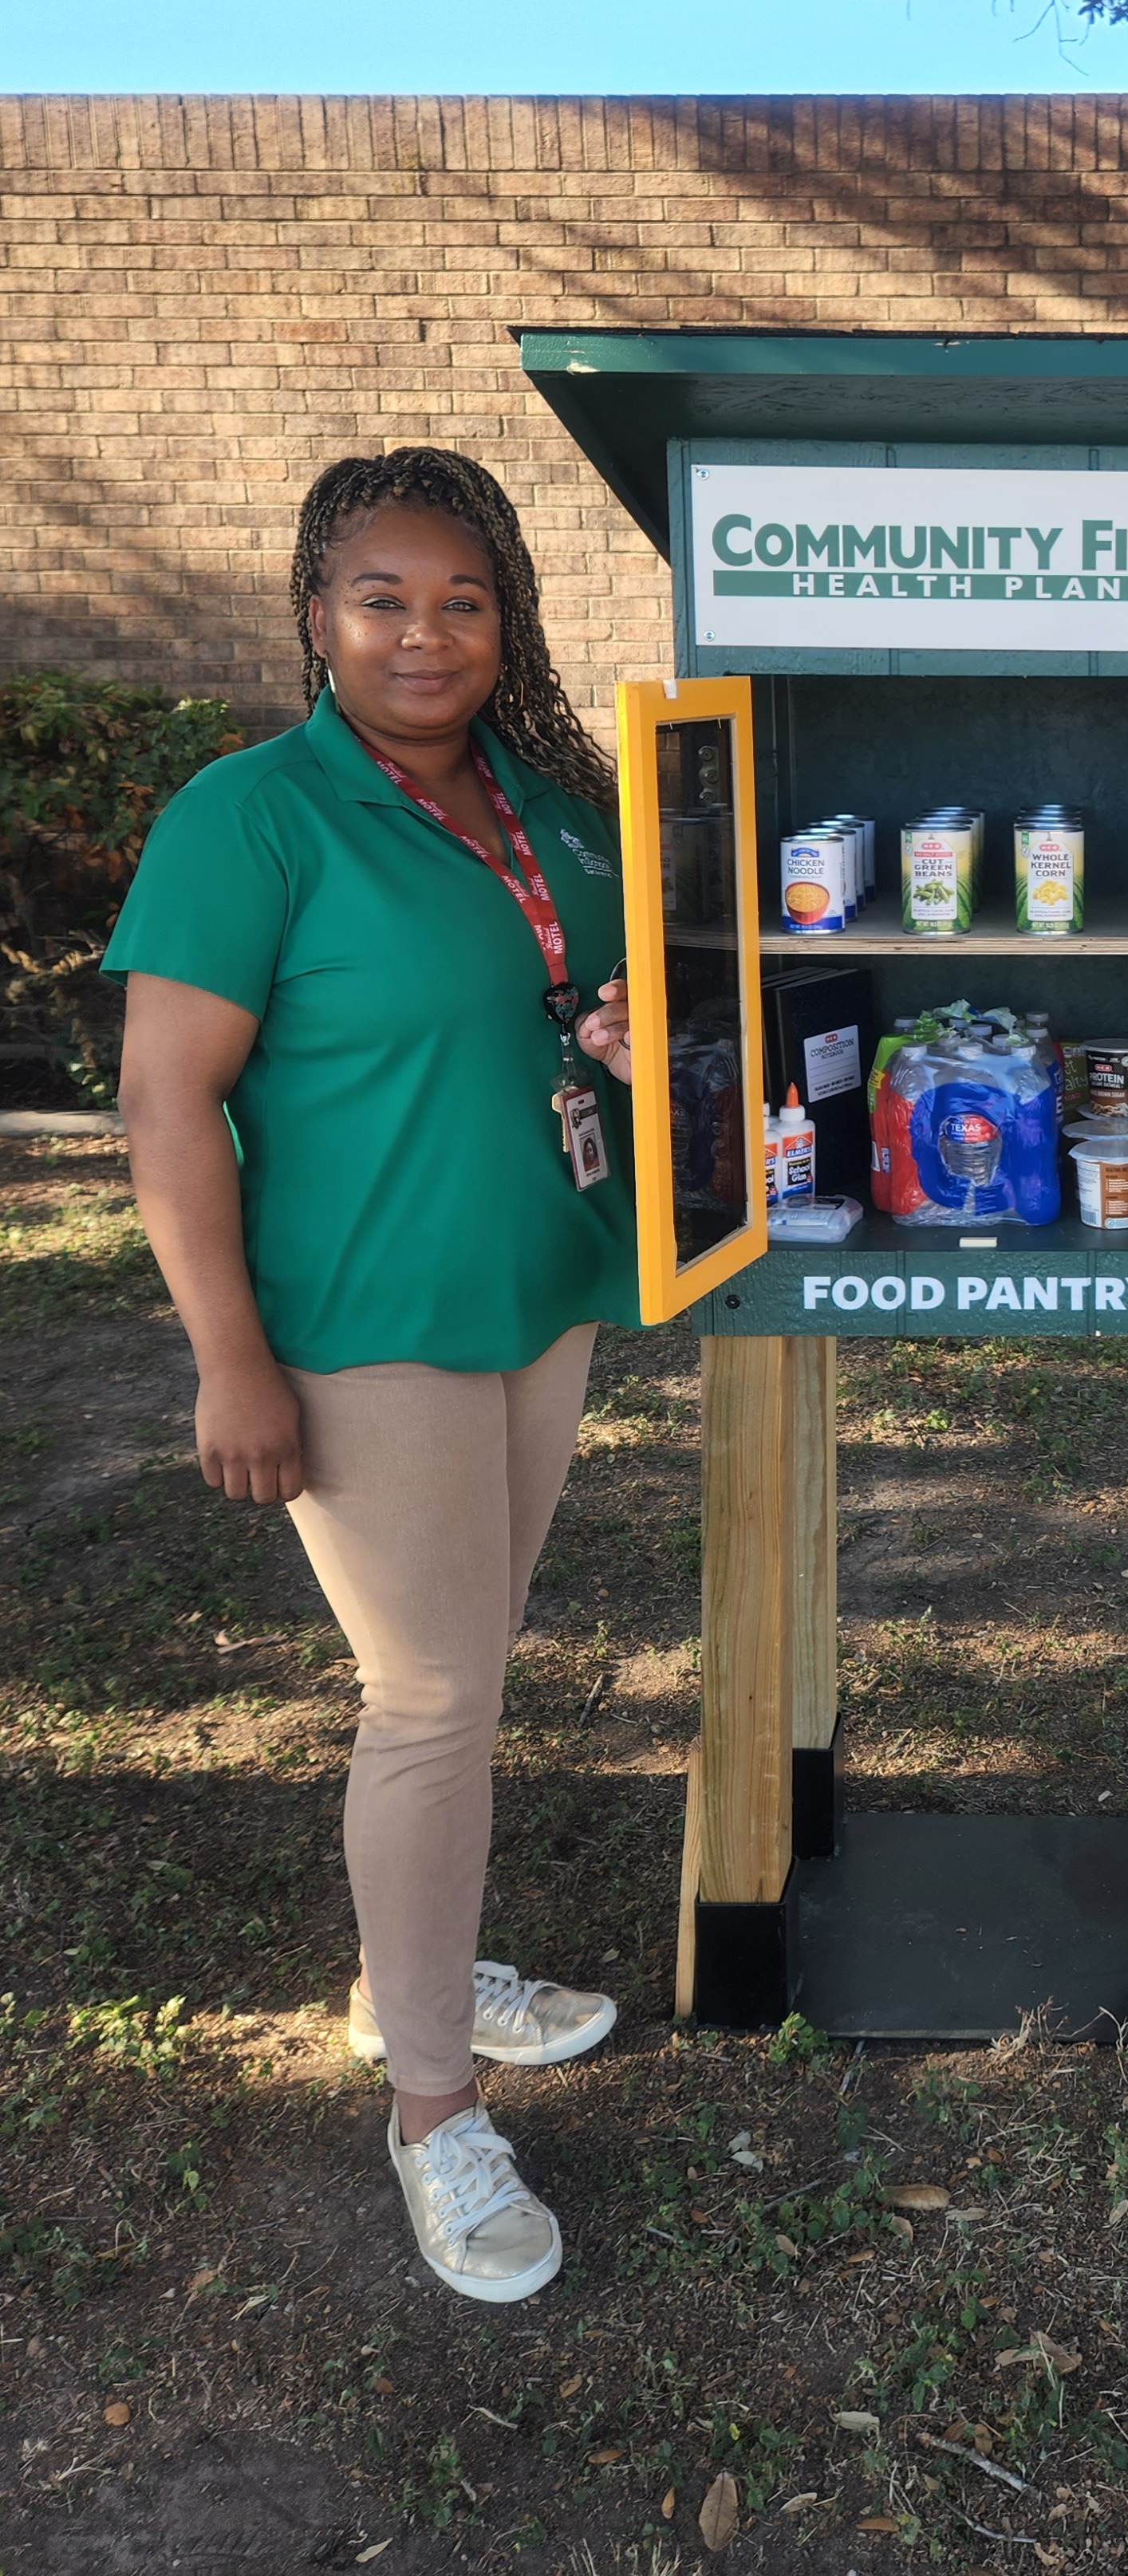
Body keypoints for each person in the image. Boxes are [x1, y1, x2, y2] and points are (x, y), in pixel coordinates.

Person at [105, 447, 645, 2306]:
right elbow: (163, 1095)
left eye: (464, 599)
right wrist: (226, 1358)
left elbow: (583, 1003)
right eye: (383, 597)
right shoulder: (251, 815)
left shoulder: (548, 805)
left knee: (470, 1668)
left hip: (540, 1285)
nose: (425, 633)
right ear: (317, 612)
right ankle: (432, 2104)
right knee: (427, 1693)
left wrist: (627, 1031)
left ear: (510, 619)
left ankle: (411, 1965)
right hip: (358, 1316)